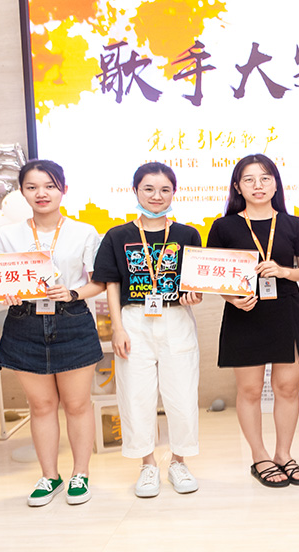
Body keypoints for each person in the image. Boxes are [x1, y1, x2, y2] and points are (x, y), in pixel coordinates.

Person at [0, 160, 104, 506]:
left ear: (63, 190)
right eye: (32, 187)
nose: (42, 193)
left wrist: (73, 292)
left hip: (71, 320)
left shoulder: (84, 231)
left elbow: (99, 282)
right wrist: (4, 292)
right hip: (24, 322)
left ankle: (80, 473)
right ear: (22, 192)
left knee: (77, 404)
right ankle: (50, 476)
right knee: (40, 406)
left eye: (50, 186)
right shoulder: (7, 235)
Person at [207, 154, 299, 488]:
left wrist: (284, 271)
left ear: (276, 184)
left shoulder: (293, 224)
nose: (258, 185)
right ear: (237, 186)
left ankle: (283, 454)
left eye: (265, 178)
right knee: (250, 390)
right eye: (249, 179)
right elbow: (213, 277)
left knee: (287, 388)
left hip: (287, 310)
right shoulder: (223, 227)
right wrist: (231, 299)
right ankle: (260, 456)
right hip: (245, 313)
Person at [93, 162, 203, 498]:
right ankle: (147, 465)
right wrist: (116, 328)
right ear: (136, 191)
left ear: (174, 192)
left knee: (182, 396)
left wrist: (195, 295)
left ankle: (179, 462)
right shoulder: (117, 235)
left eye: (165, 189)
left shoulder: (187, 234)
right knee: (136, 395)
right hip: (134, 320)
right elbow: (111, 284)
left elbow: (195, 282)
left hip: (176, 319)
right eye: (149, 189)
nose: (157, 196)